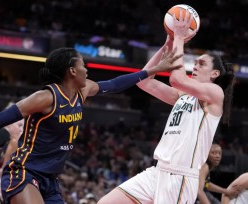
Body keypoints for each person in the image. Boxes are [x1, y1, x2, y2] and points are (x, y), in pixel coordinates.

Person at [0, 47, 182, 204]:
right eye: (83, 65)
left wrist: (152, 70)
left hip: (51, 180)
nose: (87, 69)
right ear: (71, 70)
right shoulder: (45, 98)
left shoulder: (83, 90)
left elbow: (116, 83)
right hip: (25, 173)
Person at [97, 10, 235, 204]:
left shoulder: (215, 94)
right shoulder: (182, 95)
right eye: (194, 63)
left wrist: (179, 37)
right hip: (157, 172)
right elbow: (144, 82)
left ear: (214, 73)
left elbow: (176, 78)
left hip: (181, 177)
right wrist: (167, 44)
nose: (194, 66)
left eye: (201, 64)